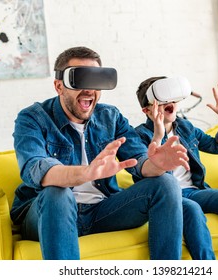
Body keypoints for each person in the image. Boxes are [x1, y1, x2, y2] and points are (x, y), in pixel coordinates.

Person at [10, 46, 195, 260]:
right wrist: (86, 173)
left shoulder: (111, 116)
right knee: (57, 192)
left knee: (166, 183)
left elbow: (139, 161)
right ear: (59, 86)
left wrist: (157, 165)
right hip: (49, 212)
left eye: (95, 80)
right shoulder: (32, 119)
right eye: (80, 79)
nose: (89, 90)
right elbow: (35, 169)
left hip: (102, 210)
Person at [135, 76, 218, 260]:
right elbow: (143, 169)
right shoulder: (139, 136)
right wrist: (158, 136)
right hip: (168, 198)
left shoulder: (185, 127)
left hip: (194, 191)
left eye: (172, 98)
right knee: (192, 209)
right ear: (147, 110)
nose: (170, 102)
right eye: (162, 100)